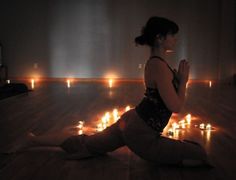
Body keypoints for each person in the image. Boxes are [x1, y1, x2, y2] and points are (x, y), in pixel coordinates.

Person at [11, 16, 207, 166]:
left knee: (85, 144)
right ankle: (33, 141)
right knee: (199, 155)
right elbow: (176, 106)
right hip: (141, 133)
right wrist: (183, 84)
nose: (175, 39)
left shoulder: (157, 64)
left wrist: (179, 82)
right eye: (172, 34)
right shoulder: (159, 66)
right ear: (159, 37)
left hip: (133, 122)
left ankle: (33, 140)